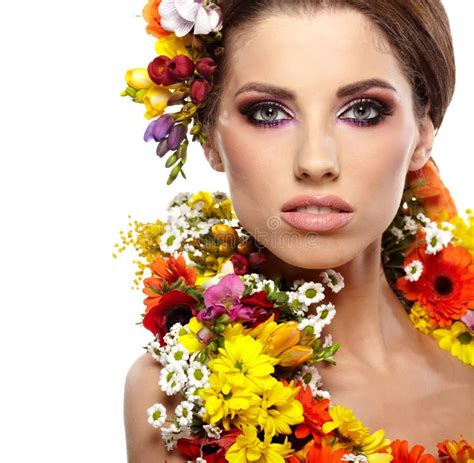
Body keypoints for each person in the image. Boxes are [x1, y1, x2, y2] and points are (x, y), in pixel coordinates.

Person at [123, 1, 473, 461]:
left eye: (363, 110)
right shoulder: (174, 395)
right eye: (268, 113)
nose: (315, 162)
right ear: (209, 137)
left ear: (422, 133)